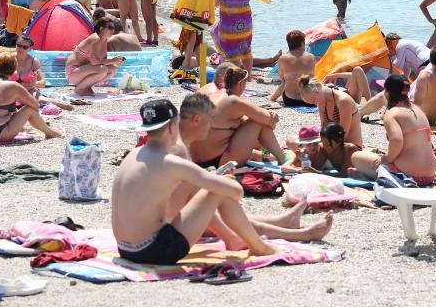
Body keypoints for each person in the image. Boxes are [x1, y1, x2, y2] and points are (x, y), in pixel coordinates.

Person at [111, 99, 279, 265]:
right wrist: (222, 180)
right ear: (171, 127)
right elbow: (237, 192)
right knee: (217, 192)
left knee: (208, 186)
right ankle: (258, 246)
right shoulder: (170, 162)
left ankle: (237, 238)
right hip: (153, 251)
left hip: (125, 249)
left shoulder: (133, 155)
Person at [173, 95, 333, 243]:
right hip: (165, 237)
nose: (210, 128)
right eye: (209, 122)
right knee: (221, 200)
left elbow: (187, 194)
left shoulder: (175, 145)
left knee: (221, 208)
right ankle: (300, 235)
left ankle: (282, 222)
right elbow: (235, 192)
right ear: (196, 120)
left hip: (165, 226)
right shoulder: (177, 150)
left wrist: (211, 178)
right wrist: (223, 180)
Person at [351, 75, 436, 187]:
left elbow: (397, 140)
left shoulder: (392, 113)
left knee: (356, 157)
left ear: (387, 92)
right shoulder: (418, 110)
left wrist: (386, 158)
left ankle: (377, 175)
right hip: (430, 174)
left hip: (408, 175)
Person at [190, 67, 286, 167]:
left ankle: (270, 155)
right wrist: (271, 116)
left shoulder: (215, 95)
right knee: (257, 122)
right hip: (218, 161)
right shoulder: (234, 101)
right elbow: (269, 120)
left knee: (248, 123)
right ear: (241, 84)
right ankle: (282, 158)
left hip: (196, 160)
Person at [0, 53, 62, 142]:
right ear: (15, 68)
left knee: (7, 110)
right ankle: (49, 132)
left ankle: (31, 129)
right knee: (29, 109)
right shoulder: (13, 86)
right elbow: (35, 105)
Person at [297, 74, 364, 149]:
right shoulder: (322, 103)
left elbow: (343, 133)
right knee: (292, 141)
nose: (315, 104)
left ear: (316, 92)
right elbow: (323, 128)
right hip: (333, 144)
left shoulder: (343, 101)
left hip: (350, 147)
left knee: (307, 149)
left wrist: (321, 146)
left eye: (313, 101)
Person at [65, 17, 125, 95]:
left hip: (82, 71)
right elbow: (95, 62)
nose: (112, 30)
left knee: (113, 68)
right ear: (101, 29)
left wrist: (116, 61)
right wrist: (112, 60)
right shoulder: (95, 38)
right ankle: (80, 89)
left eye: (113, 28)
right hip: (73, 72)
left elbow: (102, 61)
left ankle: (86, 86)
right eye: (110, 27)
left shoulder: (104, 40)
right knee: (102, 69)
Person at [212, 0, 253, 73]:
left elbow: (213, 4)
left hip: (229, 26)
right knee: (246, 50)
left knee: (231, 50)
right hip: (246, 24)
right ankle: (248, 76)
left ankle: (238, 74)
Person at [285, 123, 359, 176]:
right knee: (289, 143)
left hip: (362, 169)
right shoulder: (324, 148)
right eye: (309, 144)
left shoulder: (349, 149)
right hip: (292, 156)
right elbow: (311, 168)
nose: (313, 146)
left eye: (316, 143)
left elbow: (344, 173)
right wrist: (302, 161)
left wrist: (316, 172)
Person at [271, 30, 317, 107]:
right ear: (302, 43)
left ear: (288, 44)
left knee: (286, 80)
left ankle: (273, 98)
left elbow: (281, 76)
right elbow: (314, 75)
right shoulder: (311, 57)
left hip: (291, 100)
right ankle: (272, 97)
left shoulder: (283, 58)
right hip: (310, 101)